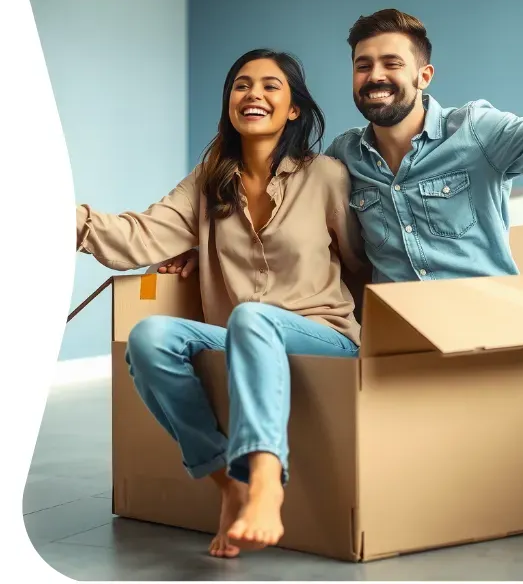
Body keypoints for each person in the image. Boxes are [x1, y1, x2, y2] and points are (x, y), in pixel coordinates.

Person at [75, 49, 367, 559]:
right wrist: (63, 215)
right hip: (243, 337)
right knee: (150, 337)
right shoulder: (209, 180)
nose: (253, 93)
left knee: (251, 318)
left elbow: (363, 264)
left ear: (294, 108)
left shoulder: (326, 176)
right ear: (230, 102)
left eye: (270, 86)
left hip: (324, 337)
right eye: (241, 85)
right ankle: (227, 487)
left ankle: (265, 481)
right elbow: (140, 235)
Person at [164, 8, 523, 285]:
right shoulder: (342, 157)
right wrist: (202, 246)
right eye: (363, 65)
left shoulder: (477, 132)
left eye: (391, 64)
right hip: (395, 333)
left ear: (424, 76)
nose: (375, 76)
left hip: (486, 320)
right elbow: (275, 205)